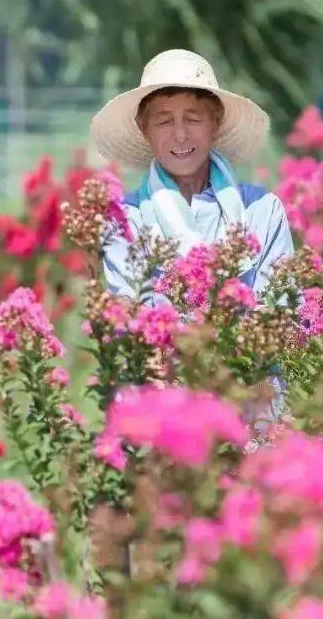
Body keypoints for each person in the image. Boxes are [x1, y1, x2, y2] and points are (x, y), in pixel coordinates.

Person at [90, 48, 294, 428]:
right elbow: (132, 322)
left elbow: (280, 312)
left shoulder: (262, 210)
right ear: (144, 130)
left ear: (215, 124)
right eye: (164, 121)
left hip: (252, 404)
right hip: (163, 411)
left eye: (194, 118)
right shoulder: (125, 220)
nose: (180, 134)